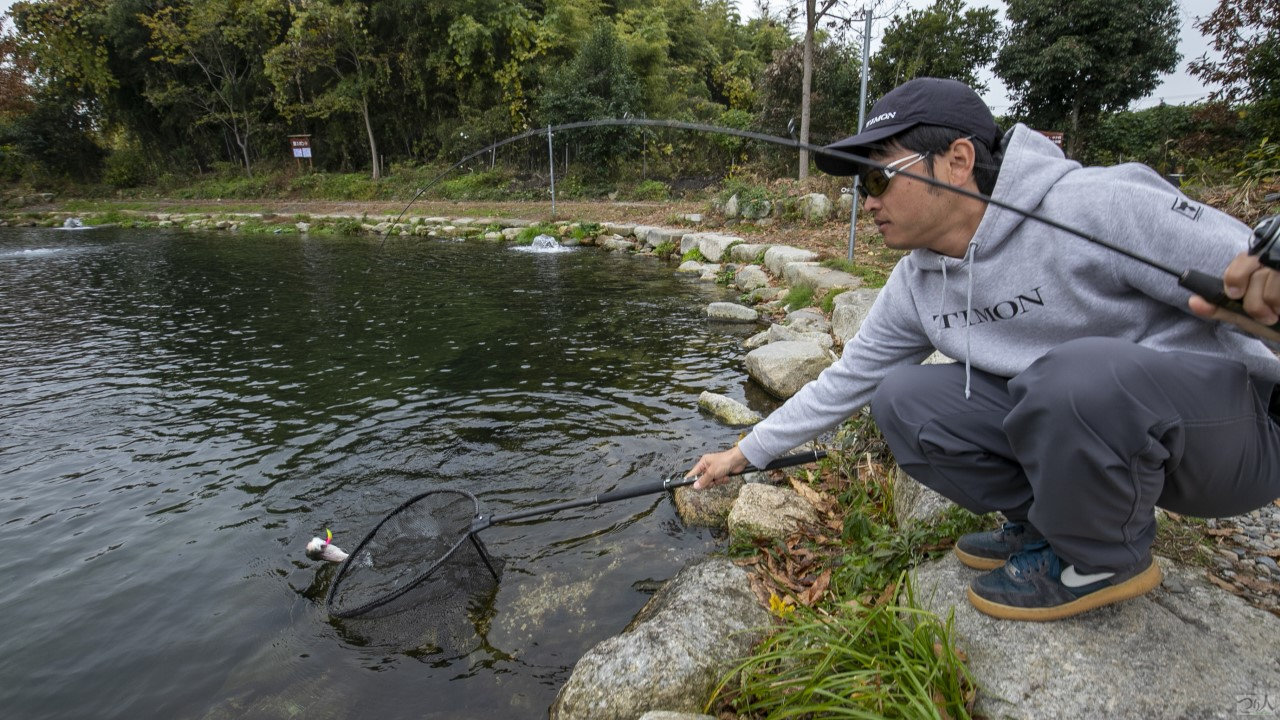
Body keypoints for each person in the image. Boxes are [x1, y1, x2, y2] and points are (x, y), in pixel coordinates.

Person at [686, 77, 1280, 621]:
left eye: (877, 179)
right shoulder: (918, 280)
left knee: (1070, 375)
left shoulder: (1099, 203)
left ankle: (1102, 557)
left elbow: (1253, 268)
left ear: (958, 160)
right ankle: (1055, 524)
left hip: (1237, 438)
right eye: (858, 186)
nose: (866, 202)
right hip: (1105, 437)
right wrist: (744, 454)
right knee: (904, 399)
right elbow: (849, 379)